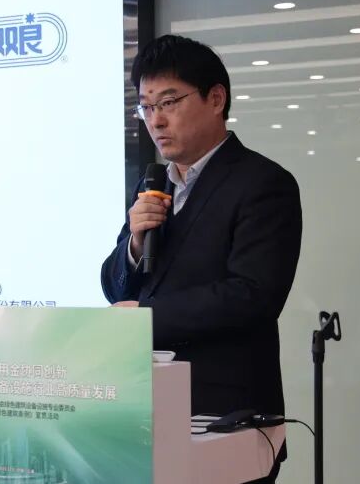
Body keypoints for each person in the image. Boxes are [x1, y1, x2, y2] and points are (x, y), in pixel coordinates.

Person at [100, 35, 302, 483]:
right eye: (146, 107)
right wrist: (135, 244)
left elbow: (253, 295)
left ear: (216, 98)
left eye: (168, 102)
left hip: (227, 416)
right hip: (147, 412)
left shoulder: (263, 183)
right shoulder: (152, 183)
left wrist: (145, 319)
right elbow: (116, 288)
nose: (156, 119)